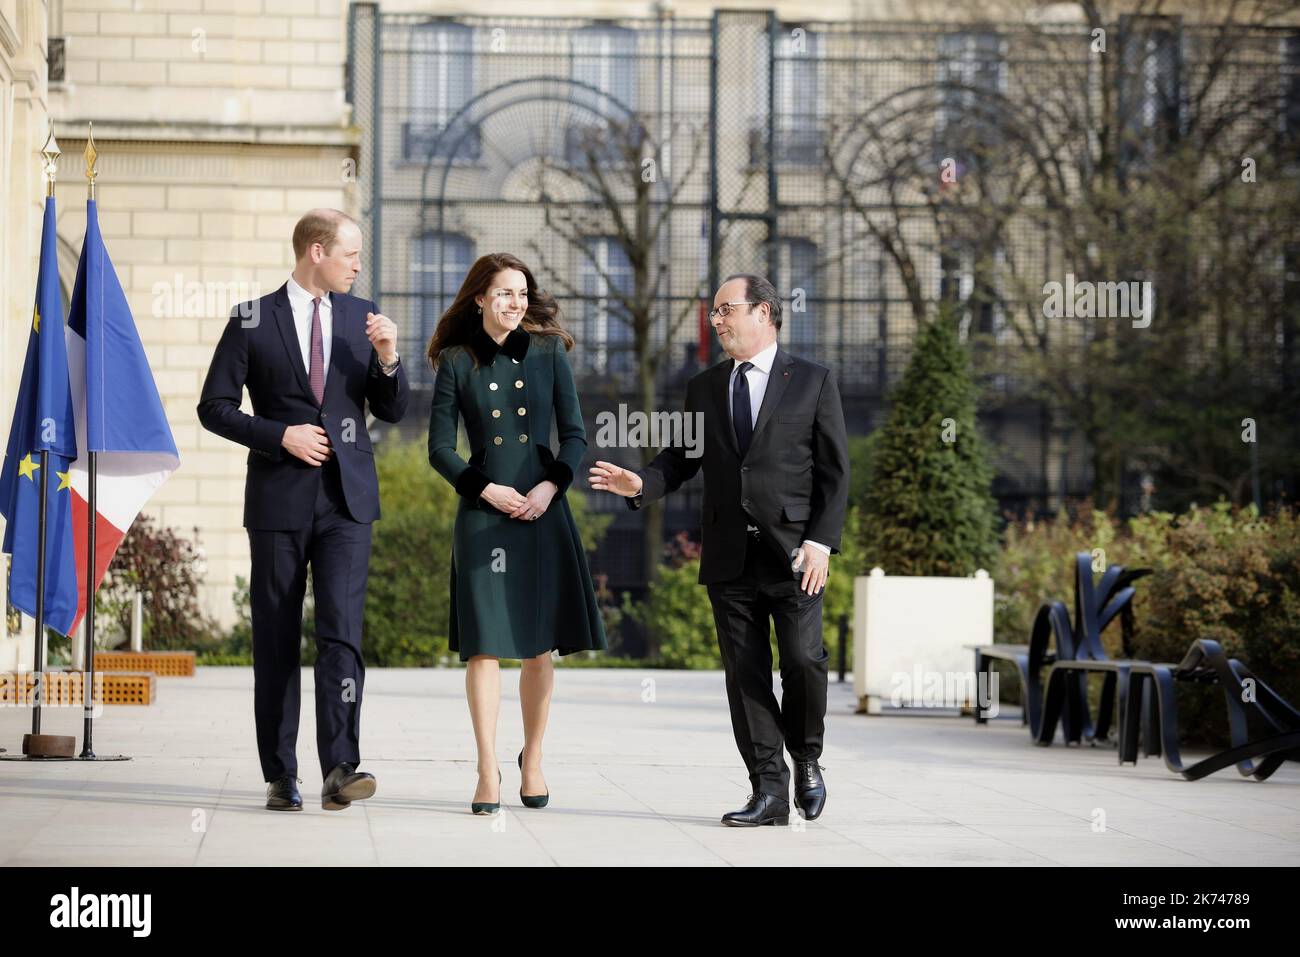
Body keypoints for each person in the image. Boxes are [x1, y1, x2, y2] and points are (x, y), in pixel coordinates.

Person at [589, 274, 849, 826]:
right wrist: (640, 485)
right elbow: (679, 461)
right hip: (730, 555)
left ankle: (806, 757)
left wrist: (821, 542)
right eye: (714, 313)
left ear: (764, 312)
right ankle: (769, 790)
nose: (718, 321)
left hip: (795, 554)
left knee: (804, 662)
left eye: (727, 310)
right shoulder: (705, 387)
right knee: (746, 674)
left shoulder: (813, 381)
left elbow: (834, 473)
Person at [197, 208, 409, 812]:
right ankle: (280, 773)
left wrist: (389, 359)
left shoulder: (360, 317)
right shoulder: (251, 319)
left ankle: (341, 766)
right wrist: (279, 435)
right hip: (277, 500)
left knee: (341, 634)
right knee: (276, 637)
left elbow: (391, 411)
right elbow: (213, 407)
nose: (359, 264)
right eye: (351, 253)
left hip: (347, 501)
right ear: (317, 251)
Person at [426, 252, 606, 815]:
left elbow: (574, 435)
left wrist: (551, 488)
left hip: (541, 509)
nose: (516, 302)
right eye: (504, 292)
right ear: (479, 297)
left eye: (522, 293)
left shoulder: (549, 352)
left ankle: (532, 759)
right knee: (483, 644)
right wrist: (484, 489)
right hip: (484, 512)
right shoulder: (457, 361)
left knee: (536, 641)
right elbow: (438, 449)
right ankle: (486, 771)